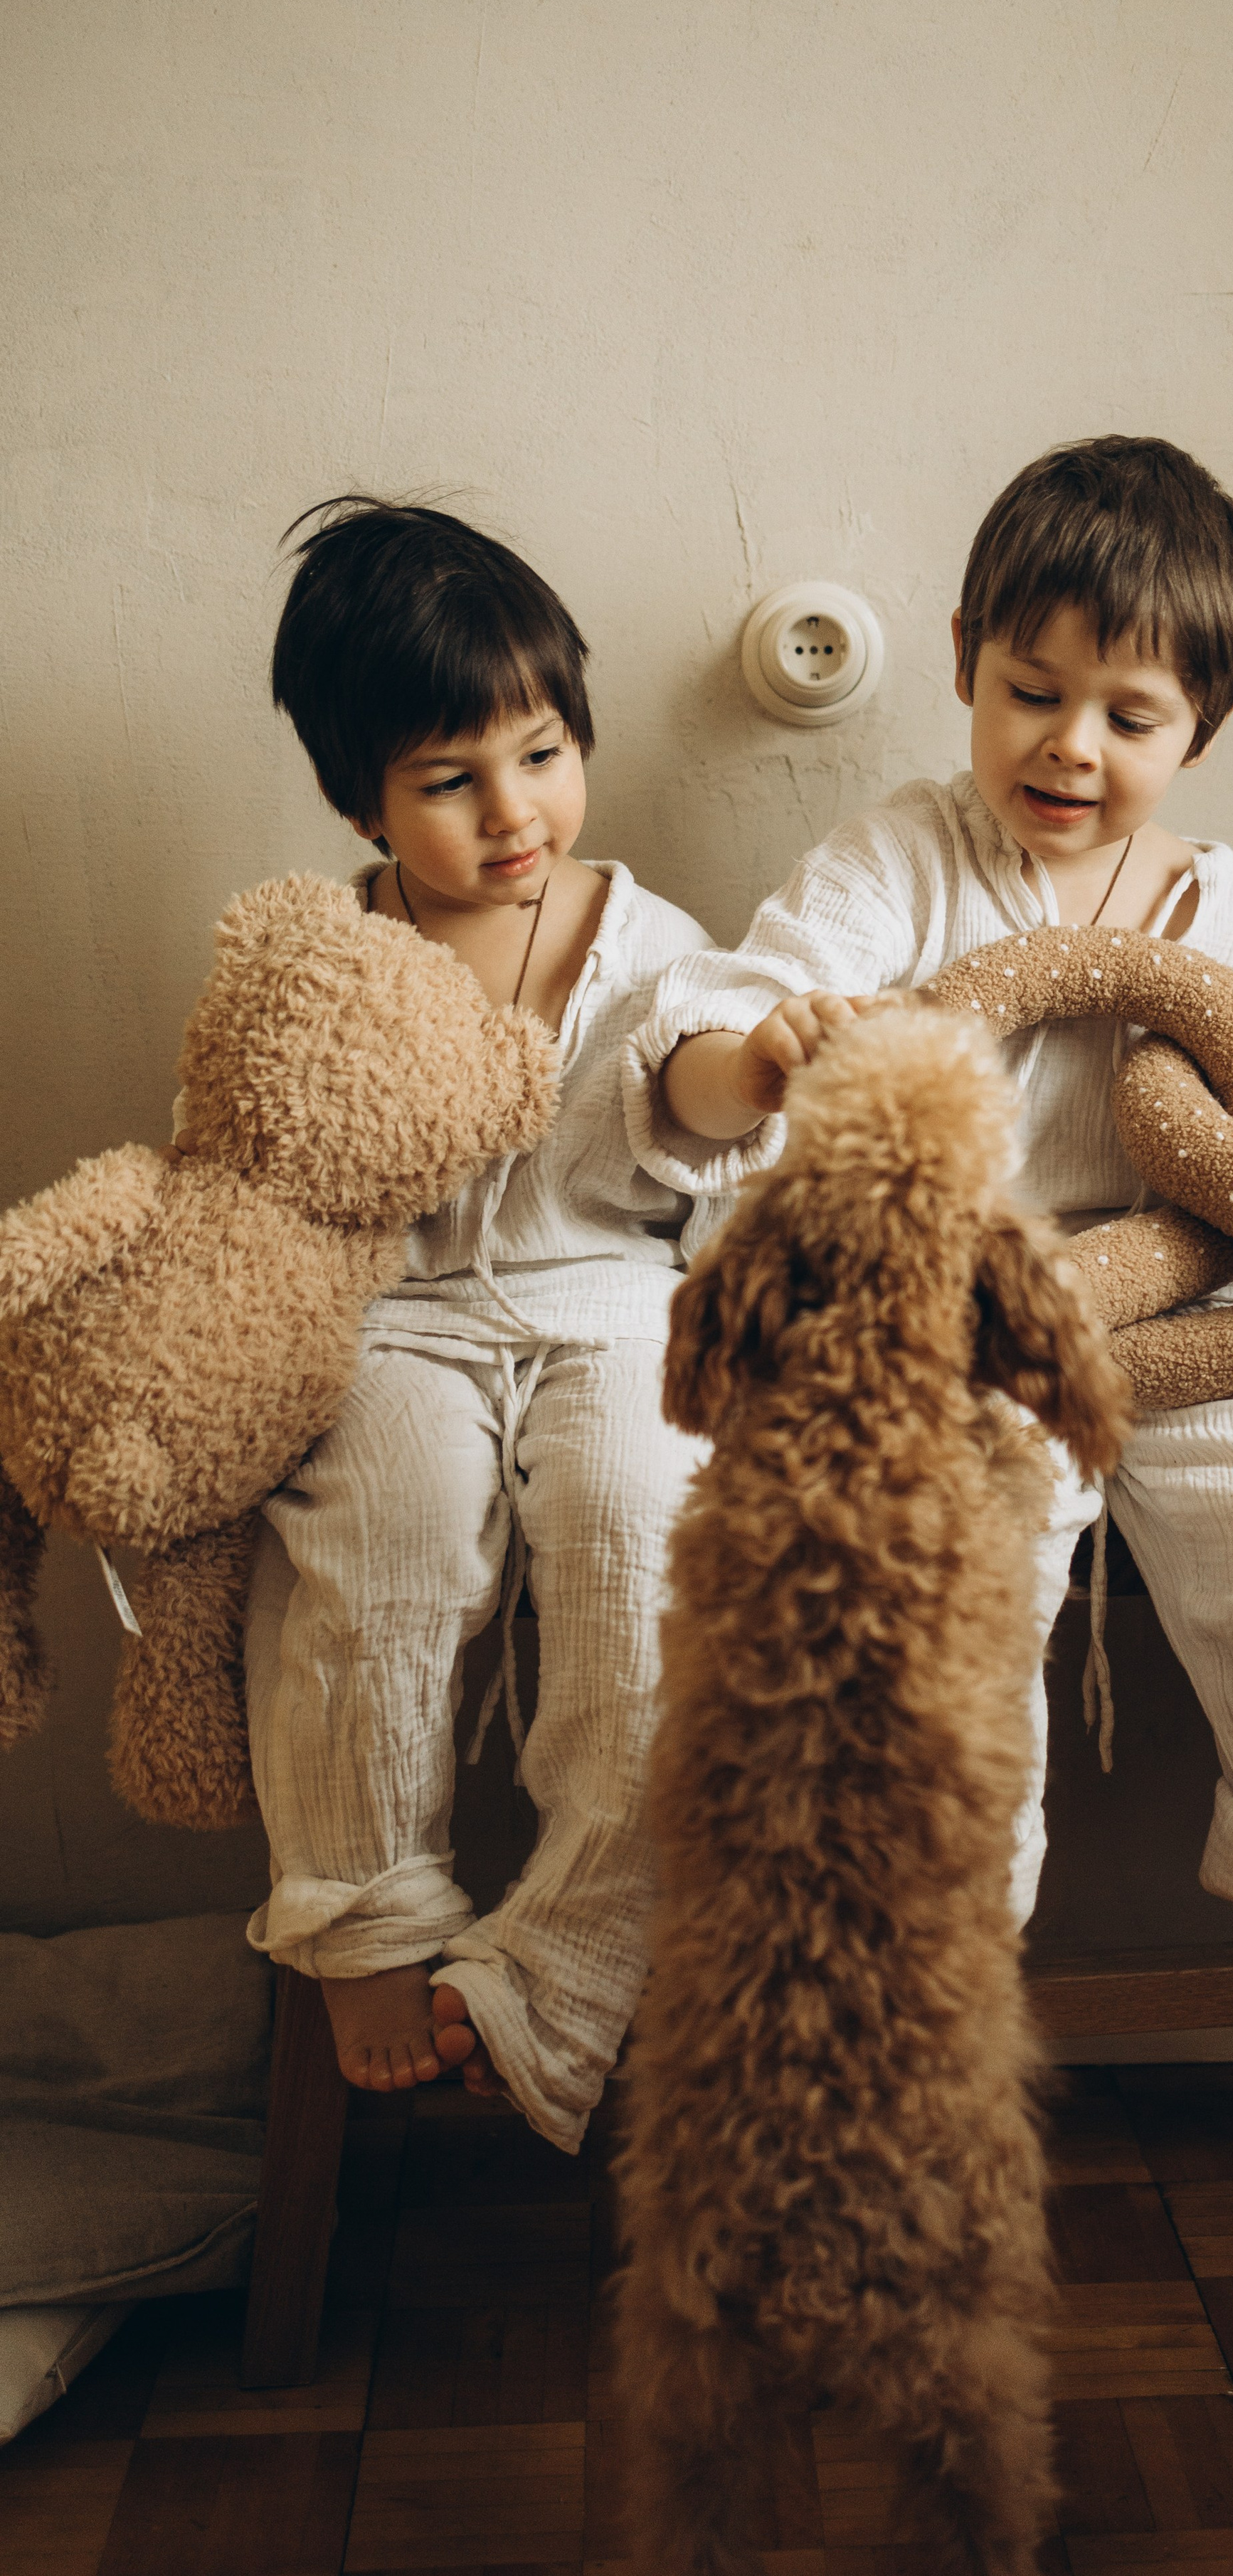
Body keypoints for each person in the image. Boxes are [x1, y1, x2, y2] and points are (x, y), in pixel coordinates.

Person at [625, 438, 1233, 2194]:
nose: (1068, 747)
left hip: (1190, 1333)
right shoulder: (897, 864)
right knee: (963, 1582)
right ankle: (938, 2049)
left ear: (1202, 728)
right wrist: (769, 1053)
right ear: (963, 656)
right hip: (972, 1337)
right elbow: (721, 1050)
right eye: (1031, 693)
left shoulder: (1227, 912)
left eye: (1127, 716)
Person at [240, 498, 708, 2151]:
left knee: (643, 1534)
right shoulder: (327, 957)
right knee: (383, 1545)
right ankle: (364, 1914)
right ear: (358, 795)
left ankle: (573, 1953)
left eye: (540, 752)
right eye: (449, 781)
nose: (513, 813)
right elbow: (244, 1162)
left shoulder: (659, 952)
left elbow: (720, 1148)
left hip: (611, 1301)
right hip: (396, 1316)